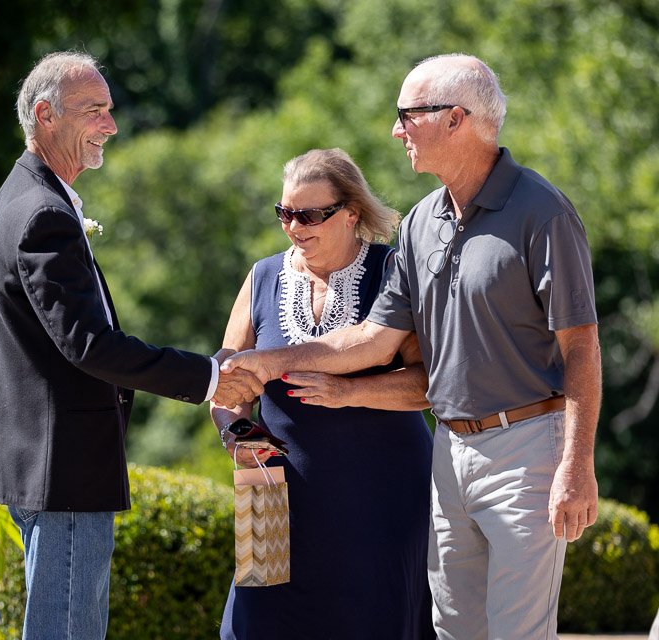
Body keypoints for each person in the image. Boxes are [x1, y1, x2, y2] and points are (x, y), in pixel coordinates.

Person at [222, 54, 601, 640]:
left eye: (408, 115)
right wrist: (270, 363)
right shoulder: (422, 222)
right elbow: (371, 338)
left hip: (527, 446)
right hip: (448, 450)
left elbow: (581, 347)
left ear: (457, 119)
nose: (397, 131)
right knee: (451, 628)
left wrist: (576, 464)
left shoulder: (542, 212)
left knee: (516, 631)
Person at [0, 51, 263, 640]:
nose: (111, 125)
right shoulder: (42, 213)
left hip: (42, 464)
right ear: (46, 116)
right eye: (95, 111)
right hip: (65, 468)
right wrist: (210, 377)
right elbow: (90, 346)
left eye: (110, 110)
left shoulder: (16, 197)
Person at [213, 148, 436, 639]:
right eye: (285, 213)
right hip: (267, 494)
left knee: (373, 621)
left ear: (351, 213)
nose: (295, 226)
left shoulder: (393, 272)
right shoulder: (263, 275)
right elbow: (227, 384)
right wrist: (238, 435)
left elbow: (428, 385)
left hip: (382, 495)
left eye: (311, 214)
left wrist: (347, 391)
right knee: (252, 626)